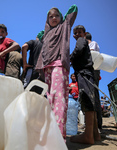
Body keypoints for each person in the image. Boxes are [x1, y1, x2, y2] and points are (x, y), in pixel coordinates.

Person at [35, 5, 78, 140]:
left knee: (59, 99)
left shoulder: (64, 26)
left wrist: (66, 18)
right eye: (51, 16)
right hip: (47, 67)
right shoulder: (47, 33)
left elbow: (74, 10)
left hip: (59, 65)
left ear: (61, 18)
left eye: (56, 15)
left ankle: (59, 138)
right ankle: (50, 135)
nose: (54, 18)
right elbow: (43, 42)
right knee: (50, 99)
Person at [70, 25, 101, 144]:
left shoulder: (81, 41)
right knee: (91, 103)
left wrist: (69, 58)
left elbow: (78, 50)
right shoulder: (83, 41)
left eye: (80, 32)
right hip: (88, 74)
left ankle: (88, 136)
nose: (77, 35)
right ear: (73, 35)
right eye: (76, 33)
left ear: (84, 34)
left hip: (84, 73)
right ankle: (95, 134)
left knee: (87, 101)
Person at [86, 32, 102, 130]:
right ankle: (90, 123)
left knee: (94, 95)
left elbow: (90, 54)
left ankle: (98, 125)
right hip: (89, 70)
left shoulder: (92, 44)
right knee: (89, 96)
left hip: (93, 70)